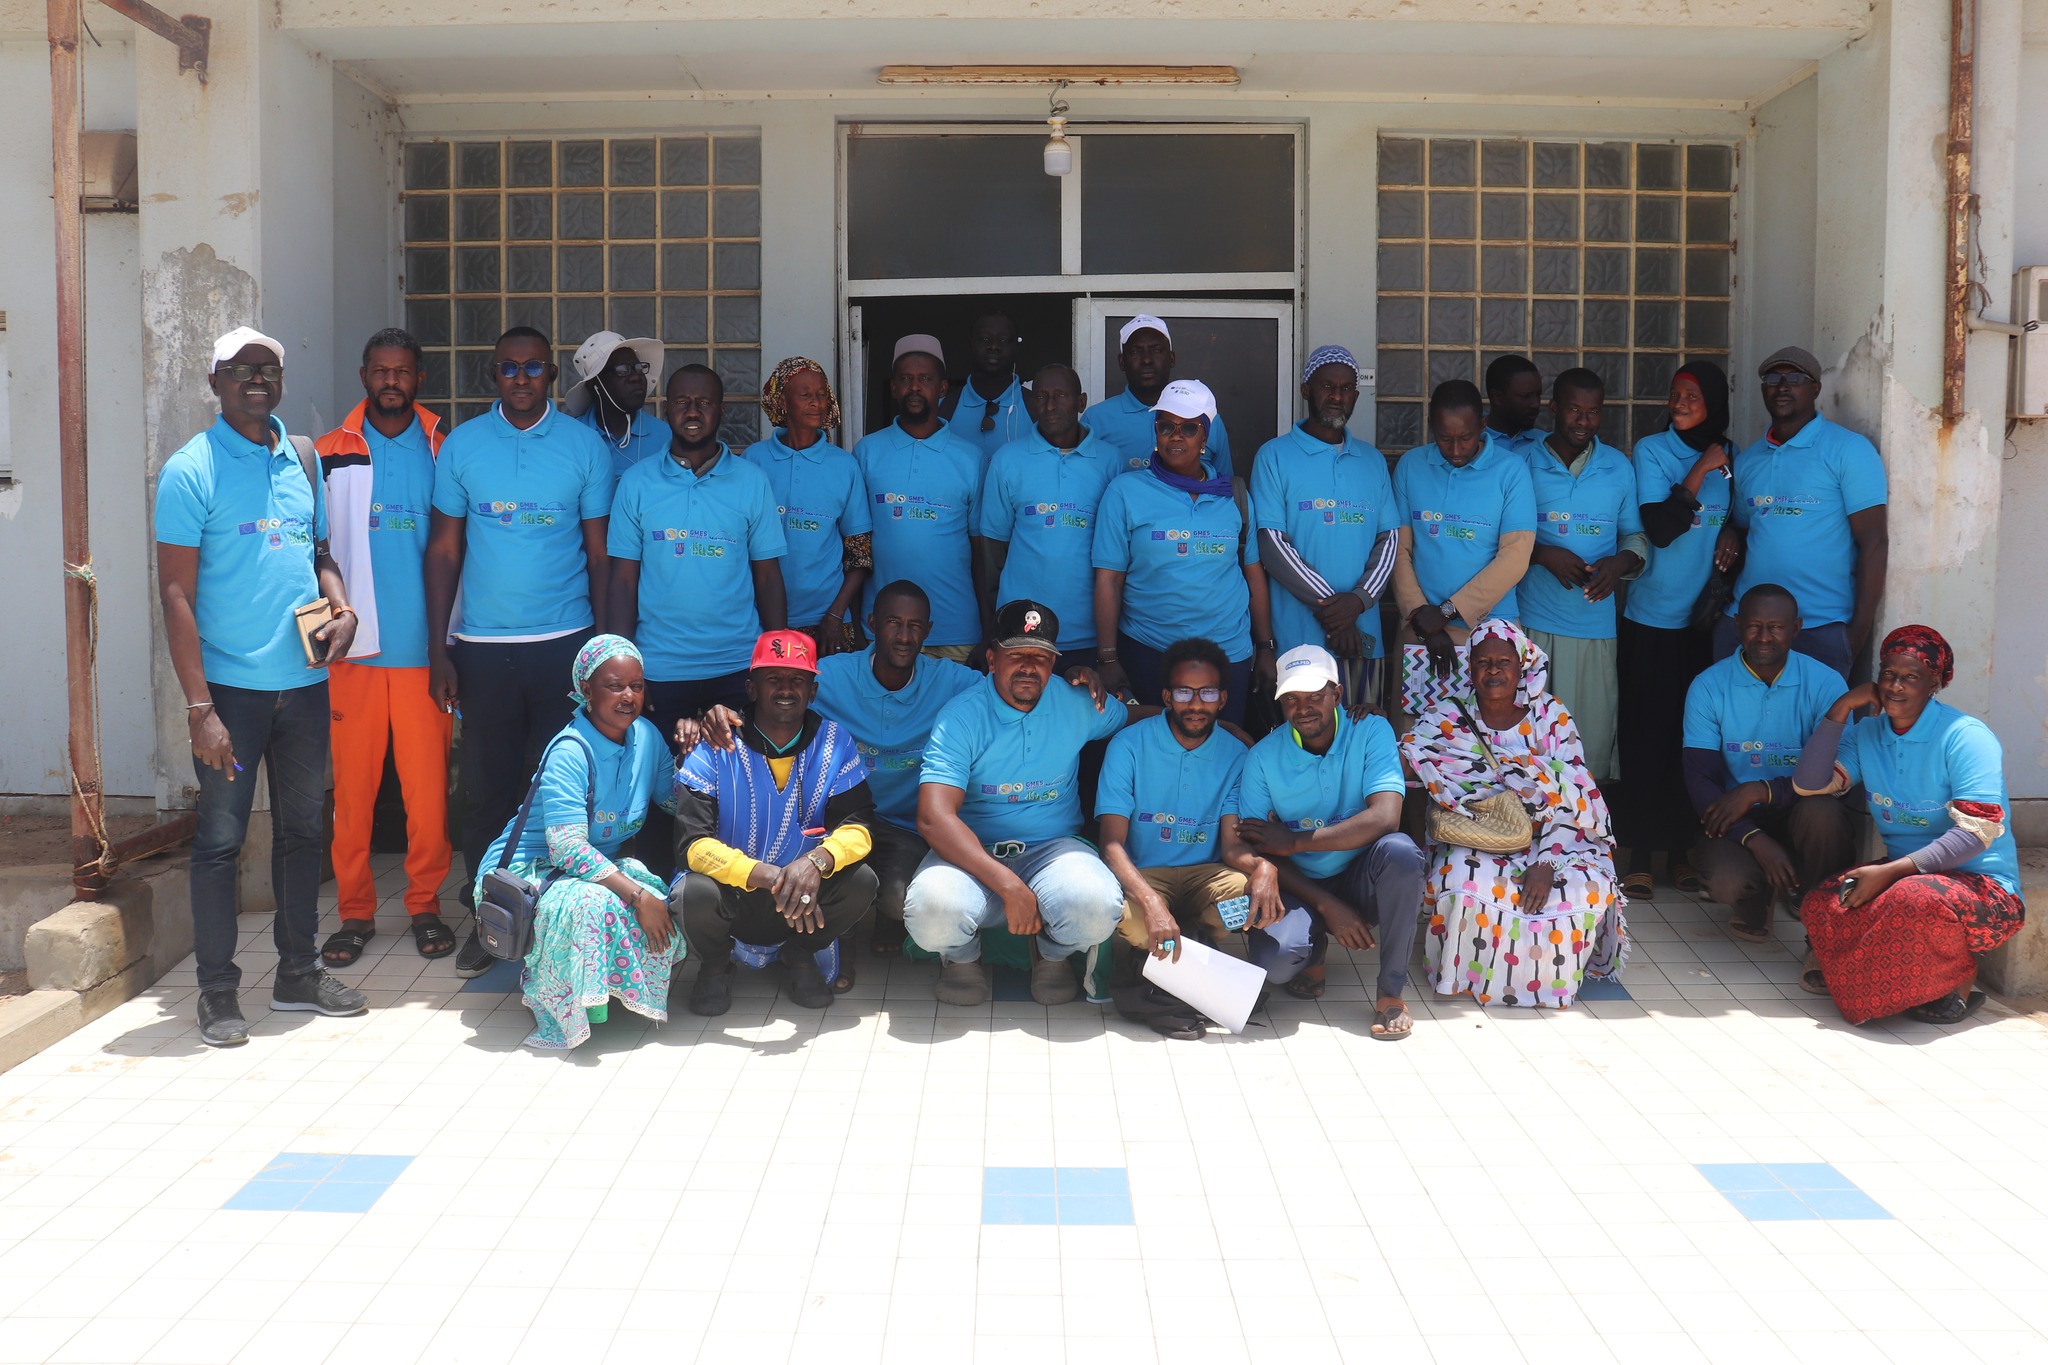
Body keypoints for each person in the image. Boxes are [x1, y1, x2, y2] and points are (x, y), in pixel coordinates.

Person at [155, 326, 367, 1046]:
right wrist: (200, 709)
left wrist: (343, 608)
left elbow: (319, 554)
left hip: (302, 685)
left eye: (269, 369)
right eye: (242, 369)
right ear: (215, 381)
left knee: (303, 831)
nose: (257, 379)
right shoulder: (191, 470)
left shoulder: (302, 456)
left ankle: (299, 973)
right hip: (230, 695)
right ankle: (217, 993)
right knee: (221, 841)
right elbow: (175, 594)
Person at [425, 325, 613, 977]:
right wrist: (438, 650)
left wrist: (604, 648)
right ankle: (490, 921)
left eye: (534, 367)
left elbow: (600, 556)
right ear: (494, 375)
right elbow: (444, 550)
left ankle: (553, 921)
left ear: (552, 375)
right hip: (482, 649)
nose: (522, 378)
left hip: (564, 646)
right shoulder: (463, 446)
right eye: (509, 367)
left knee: (556, 792)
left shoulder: (584, 447)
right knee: (485, 793)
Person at [903, 601, 1139, 1006]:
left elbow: (1135, 721)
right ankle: (962, 959)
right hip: (973, 852)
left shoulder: (1076, 701)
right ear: (992, 659)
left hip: (1053, 849)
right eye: (1016, 655)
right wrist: (1010, 886)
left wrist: (1217, 725)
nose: (1029, 667)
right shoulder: (961, 717)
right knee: (930, 910)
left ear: (1053, 663)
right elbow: (933, 818)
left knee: (1096, 906)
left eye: (1041, 657)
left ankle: (1051, 954)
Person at [1793, 626, 2025, 1025]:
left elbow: (1977, 832)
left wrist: (1891, 872)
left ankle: (1955, 984)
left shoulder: (1965, 736)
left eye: (1911, 677)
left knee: (1913, 900)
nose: (1895, 686)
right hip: (1906, 878)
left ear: (1935, 683)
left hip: (1983, 887)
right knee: (1821, 903)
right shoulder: (1868, 733)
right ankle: (1890, 983)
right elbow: (1808, 784)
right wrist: (1842, 707)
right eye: (1888, 674)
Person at [313, 327, 455, 967]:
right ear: (364, 375)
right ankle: (355, 912)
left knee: (428, 795)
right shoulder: (327, 453)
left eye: (402, 371)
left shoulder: (444, 448)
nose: (391, 381)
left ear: (419, 378)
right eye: (380, 370)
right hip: (354, 653)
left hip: (427, 654)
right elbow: (312, 549)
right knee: (353, 796)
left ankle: (425, 904)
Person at [1400, 619, 1628, 1010]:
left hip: (1555, 836)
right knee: (1463, 880)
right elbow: (1407, 758)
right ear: (1470, 668)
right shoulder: (1447, 716)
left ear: (1522, 666)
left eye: (1503, 662)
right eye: (1483, 662)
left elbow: (1574, 794)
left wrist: (1547, 862)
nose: (1493, 670)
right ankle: (1461, 978)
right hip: (1479, 833)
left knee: (1583, 887)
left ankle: (1548, 984)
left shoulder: (1551, 715)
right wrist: (1370, 726)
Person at [478, 636, 684, 1051]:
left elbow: (674, 801)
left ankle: (607, 997)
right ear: (586, 690)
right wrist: (638, 897)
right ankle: (559, 1004)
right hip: (528, 872)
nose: (628, 697)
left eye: (637, 686)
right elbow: (566, 848)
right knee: (602, 901)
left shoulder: (647, 737)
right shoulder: (570, 750)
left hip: (587, 870)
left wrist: (702, 758)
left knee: (651, 883)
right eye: (614, 686)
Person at [673, 631, 880, 1017]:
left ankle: (799, 956)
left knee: (862, 880)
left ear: (812, 691)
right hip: (735, 894)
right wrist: (769, 876)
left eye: (797, 680)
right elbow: (692, 844)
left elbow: (860, 825)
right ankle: (716, 966)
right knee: (692, 892)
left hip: (805, 897)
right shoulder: (716, 743)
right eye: (774, 679)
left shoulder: (834, 741)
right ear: (752, 688)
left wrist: (818, 861)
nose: (786, 689)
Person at [1228, 645, 1424, 1038]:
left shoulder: (1370, 730)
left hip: (1360, 875)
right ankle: (1313, 951)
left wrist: (1294, 842)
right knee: (1275, 963)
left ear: (1337, 694)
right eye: (1291, 699)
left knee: (1402, 853)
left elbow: (1386, 817)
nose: (1304, 708)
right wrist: (1327, 904)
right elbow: (1257, 845)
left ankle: (1390, 993)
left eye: (1315, 696)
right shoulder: (1263, 757)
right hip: (1299, 884)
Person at [609, 363, 788, 736]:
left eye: (704, 402)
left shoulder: (752, 482)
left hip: (737, 667)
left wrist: (775, 661)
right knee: (663, 772)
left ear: (721, 410)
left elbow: (768, 577)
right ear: (666, 410)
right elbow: (623, 581)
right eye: (682, 402)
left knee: (737, 771)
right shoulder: (637, 483)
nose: (692, 412)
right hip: (659, 670)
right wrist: (626, 668)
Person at [1616, 361, 1736, 899]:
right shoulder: (1652, 451)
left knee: (1692, 740)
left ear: (1714, 404)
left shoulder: (1733, 456)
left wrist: (1733, 533)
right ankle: (1641, 853)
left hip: (1701, 624)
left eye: (1693, 396)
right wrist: (1702, 468)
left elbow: (1735, 519)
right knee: (1645, 737)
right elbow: (1661, 529)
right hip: (1650, 621)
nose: (1681, 403)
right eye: (1675, 394)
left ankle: (1683, 851)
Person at [811, 581, 982, 954]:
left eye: (915, 625)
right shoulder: (830, 677)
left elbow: (1010, 686)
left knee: (901, 897)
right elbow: (776, 694)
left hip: (905, 827)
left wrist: (1077, 679)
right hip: (841, 821)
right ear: (872, 623)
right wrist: (719, 715)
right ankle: (840, 939)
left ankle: (888, 919)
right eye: (893, 623)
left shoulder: (949, 680)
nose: (904, 636)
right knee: (825, 878)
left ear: (928, 631)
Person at [1092, 379, 1277, 724]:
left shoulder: (1234, 496)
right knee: (1153, 747)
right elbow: (1109, 580)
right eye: (1166, 426)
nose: (1176, 436)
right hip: (1151, 652)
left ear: (1205, 437)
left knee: (1224, 747)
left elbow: (1253, 577)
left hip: (1228, 655)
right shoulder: (1125, 492)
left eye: (1189, 428)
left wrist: (1265, 648)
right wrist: (1108, 657)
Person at [1096, 637, 1253, 1037]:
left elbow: (1232, 844)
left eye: (1208, 693)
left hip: (1205, 874)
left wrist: (1264, 869)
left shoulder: (1236, 755)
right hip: (1145, 875)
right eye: (1184, 692)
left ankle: (1175, 965)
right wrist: (1151, 903)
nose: (1195, 704)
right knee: (1131, 922)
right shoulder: (1129, 745)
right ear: (1167, 697)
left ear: (1223, 699)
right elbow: (1111, 844)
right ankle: (1184, 976)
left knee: (1245, 900)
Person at [1682, 584, 1854, 942]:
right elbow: (1700, 780)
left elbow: (1837, 772)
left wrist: (1762, 790)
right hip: (1736, 815)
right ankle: (1755, 898)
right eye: (1754, 626)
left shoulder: (1826, 683)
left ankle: (1819, 912)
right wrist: (1754, 838)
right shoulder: (1709, 685)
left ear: (1796, 628)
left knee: (1823, 814)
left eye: (1775, 627)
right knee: (1726, 880)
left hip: (1802, 810)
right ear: (1737, 625)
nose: (1763, 637)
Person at [1717, 346, 1889, 680]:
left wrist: (1857, 633)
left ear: (1815, 388)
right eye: (1773, 379)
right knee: (1737, 714)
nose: (1782, 386)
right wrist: (1730, 533)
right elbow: (1744, 529)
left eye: (1795, 378)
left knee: (1817, 717)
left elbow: (1874, 542)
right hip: (1746, 626)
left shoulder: (1848, 450)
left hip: (1819, 626)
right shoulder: (1750, 460)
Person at [1251, 344, 1403, 707]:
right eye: (1327, 387)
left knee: (1361, 732)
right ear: (1306, 390)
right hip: (1298, 641)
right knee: (1302, 733)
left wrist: (1358, 602)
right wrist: (1338, 613)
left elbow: (1389, 540)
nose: (1337, 396)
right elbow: (1272, 545)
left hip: (1362, 639)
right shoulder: (1274, 456)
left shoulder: (1371, 460)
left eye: (1347, 388)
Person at [1516, 367, 1646, 783]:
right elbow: (1498, 538)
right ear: (1554, 408)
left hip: (1594, 628)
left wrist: (1620, 564)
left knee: (1585, 752)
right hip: (1533, 625)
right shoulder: (1521, 463)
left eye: (1593, 412)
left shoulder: (1618, 467)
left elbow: (1635, 536)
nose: (1583, 421)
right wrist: (1542, 555)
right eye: (1574, 409)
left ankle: (1582, 827)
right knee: (1529, 750)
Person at [1389, 380, 1537, 714]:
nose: (1455, 449)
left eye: (1465, 437)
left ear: (1483, 425)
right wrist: (1420, 614)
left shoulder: (1511, 471)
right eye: (1445, 438)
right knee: (1415, 731)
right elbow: (1398, 549)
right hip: (1420, 628)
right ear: (1431, 426)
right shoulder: (1411, 466)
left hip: (1490, 635)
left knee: (1486, 732)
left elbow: (1515, 557)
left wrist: (1446, 612)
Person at [852, 335, 988, 661]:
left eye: (925, 379)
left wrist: (988, 628)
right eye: (905, 379)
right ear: (893, 388)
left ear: (942, 388)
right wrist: (855, 624)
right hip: (881, 631)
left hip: (956, 631)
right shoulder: (867, 452)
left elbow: (981, 551)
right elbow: (855, 546)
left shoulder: (971, 458)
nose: (915, 387)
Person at [978, 363, 1120, 668]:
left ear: (1081, 402)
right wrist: (996, 623)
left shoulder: (1111, 462)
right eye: (1041, 396)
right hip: (1021, 632)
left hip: (1089, 633)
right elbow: (993, 553)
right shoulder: (1008, 460)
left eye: (1061, 396)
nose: (1050, 405)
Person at [742, 357, 872, 656]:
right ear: (782, 402)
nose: (817, 402)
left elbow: (860, 554)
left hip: (827, 623)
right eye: (805, 395)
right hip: (759, 620)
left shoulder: (844, 466)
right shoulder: (753, 461)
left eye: (822, 394)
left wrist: (836, 614)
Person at [1083, 315, 1232, 473]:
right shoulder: (1096, 419)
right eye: (1135, 352)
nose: (1146, 360)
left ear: (1172, 358)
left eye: (1156, 350)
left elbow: (1224, 483)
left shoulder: (1205, 416)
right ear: (1122, 362)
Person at [561, 330, 668, 481]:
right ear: (595, 384)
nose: (636, 377)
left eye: (639, 368)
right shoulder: (571, 438)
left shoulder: (666, 437)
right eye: (623, 370)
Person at [939, 309, 1033, 457]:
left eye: (1004, 339)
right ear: (970, 344)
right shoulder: (942, 409)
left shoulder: (1037, 407)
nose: (994, 346)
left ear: (1017, 347)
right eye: (984, 339)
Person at [1483, 353, 1544, 448]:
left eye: (1538, 394)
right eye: (1526, 396)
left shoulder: (1545, 443)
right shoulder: (1468, 443)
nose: (1536, 404)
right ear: (1497, 397)